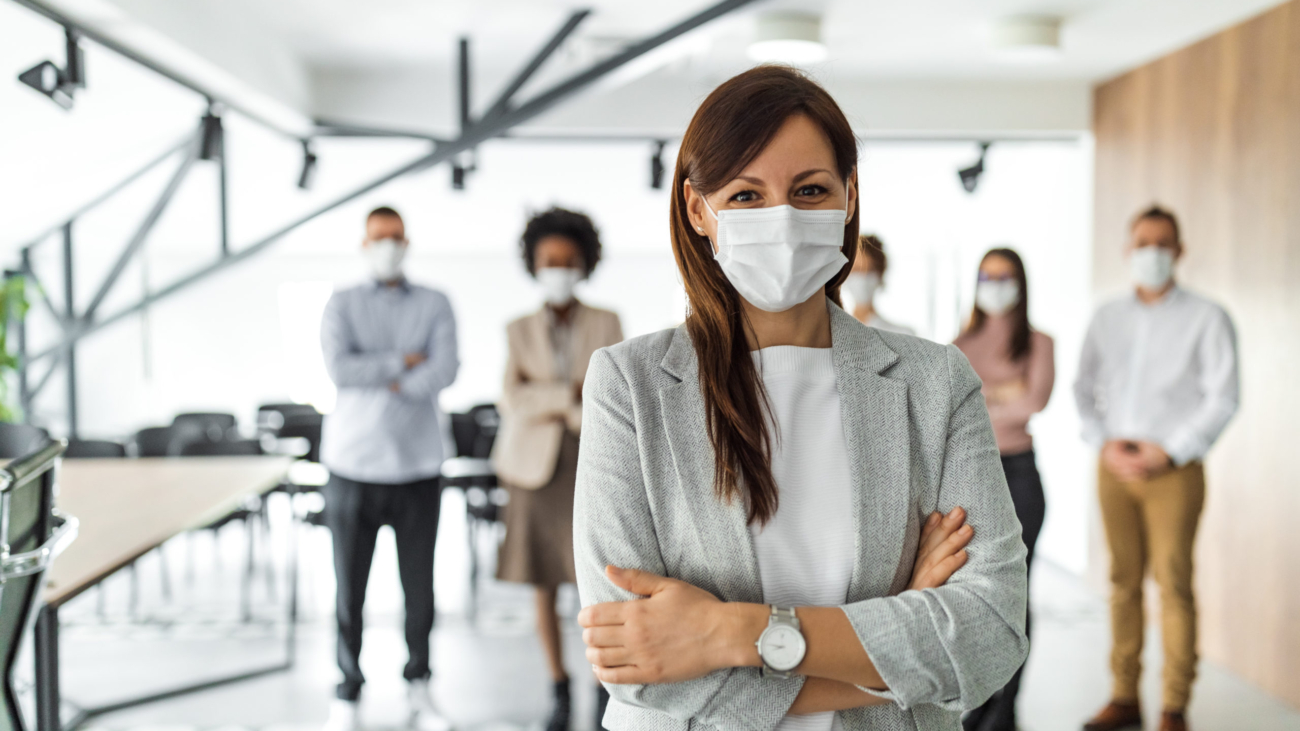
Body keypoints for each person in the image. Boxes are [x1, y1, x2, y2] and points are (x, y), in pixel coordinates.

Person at [572, 66, 1028, 731]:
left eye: (809, 190)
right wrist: (898, 645)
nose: (781, 220)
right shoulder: (629, 383)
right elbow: (636, 664)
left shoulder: (935, 382)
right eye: (746, 195)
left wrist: (727, 632)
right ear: (699, 209)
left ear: (848, 198)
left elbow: (990, 630)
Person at [1074, 206, 1238, 731]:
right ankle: (1123, 696)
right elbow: (1082, 390)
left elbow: (1223, 397)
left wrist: (1170, 450)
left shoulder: (1208, 317)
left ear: (1179, 251)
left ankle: (1174, 706)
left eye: (1163, 243)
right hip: (1114, 466)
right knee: (1121, 582)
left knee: (1173, 583)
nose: (1152, 253)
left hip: (1175, 470)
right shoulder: (1106, 317)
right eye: (1143, 243)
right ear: (1128, 250)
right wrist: (1105, 444)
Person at [318, 206, 458, 731]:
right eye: (380, 237)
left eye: (396, 237)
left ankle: (419, 682)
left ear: (407, 241)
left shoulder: (435, 302)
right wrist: (404, 362)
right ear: (364, 243)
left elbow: (444, 368)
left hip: (419, 468)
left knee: (419, 588)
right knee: (348, 588)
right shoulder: (342, 302)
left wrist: (382, 371)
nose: (388, 245)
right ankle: (348, 688)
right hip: (352, 468)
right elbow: (339, 369)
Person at [491, 207, 623, 731]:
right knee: (542, 581)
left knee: (597, 582)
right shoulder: (517, 329)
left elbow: (612, 393)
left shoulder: (607, 321)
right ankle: (558, 687)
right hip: (532, 470)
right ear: (534, 263)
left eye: (569, 260)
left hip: (593, 462)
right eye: (550, 260)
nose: (559, 268)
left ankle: (601, 688)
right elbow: (512, 399)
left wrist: (561, 399)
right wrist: (571, 395)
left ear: (584, 262)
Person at [954, 248, 1054, 731]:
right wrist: (1004, 394)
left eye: (1005, 276)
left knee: (1018, 593)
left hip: (1019, 474)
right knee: (979, 594)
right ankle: (982, 702)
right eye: (986, 276)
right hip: (973, 477)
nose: (995, 284)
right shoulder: (959, 343)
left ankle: (1005, 709)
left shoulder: (1039, 342)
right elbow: (955, 413)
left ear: (1021, 281)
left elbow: (1033, 401)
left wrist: (985, 397)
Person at [844, 234, 915, 334]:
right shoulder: (831, 333)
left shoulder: (904, 334)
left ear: (880, 275)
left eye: (870, 270)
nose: (863, 278)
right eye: (856, 270)